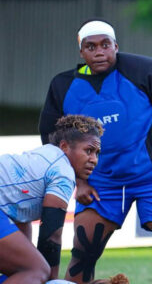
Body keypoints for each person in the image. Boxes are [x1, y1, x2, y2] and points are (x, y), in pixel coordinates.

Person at [38, 19, 152, 284]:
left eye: (105, 45)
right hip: (102, 185)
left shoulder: (145, 70)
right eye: (91, 46)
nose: (99, 51)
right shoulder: (62, 86)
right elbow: (52, 140)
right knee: (84, 254)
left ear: (116, 46)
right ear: (81, 52)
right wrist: (79, 181)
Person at [0, 115, 102, 284]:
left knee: (24, 269)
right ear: (64, 147)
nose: (94, 160)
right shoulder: (63, 172)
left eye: (97, 153)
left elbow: (20, 220)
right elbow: (51, 235)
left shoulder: (44, 155)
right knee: (36, 270)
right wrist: (50, 278)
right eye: (88, 150)